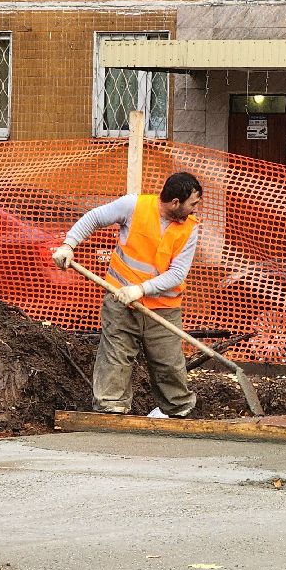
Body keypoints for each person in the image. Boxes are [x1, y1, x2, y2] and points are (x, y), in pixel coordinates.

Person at [52, 172, 204, 416]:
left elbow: (177, 274)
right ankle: (111, 409)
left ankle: (179, 411)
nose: (195, 210)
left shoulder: (189, 229)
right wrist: (68, 245)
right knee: (116, 357)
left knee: (169, 364)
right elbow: (94, 218)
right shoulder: (134, 206)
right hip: (120, 302)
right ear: (175, 202)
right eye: (193, 204)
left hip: (163, 309)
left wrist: (141, 289)